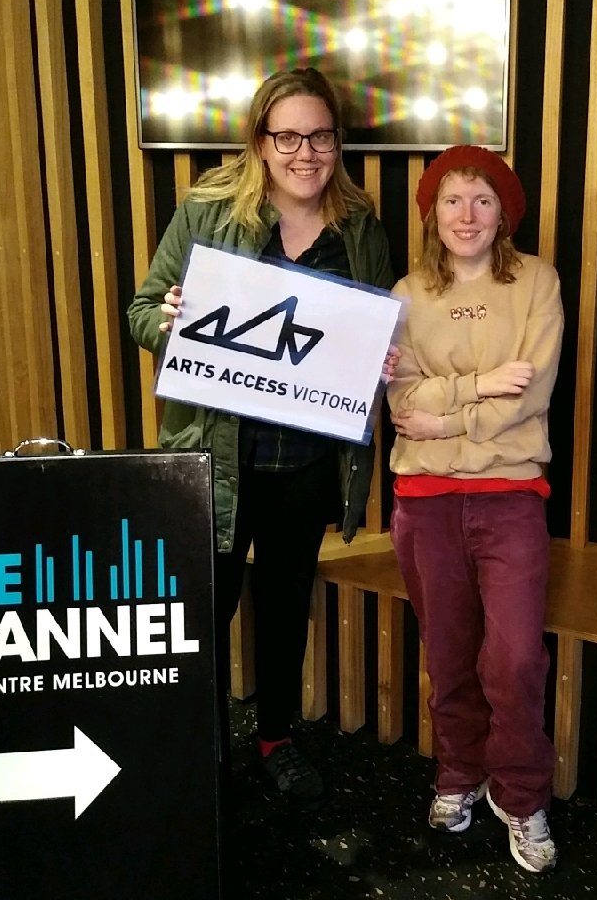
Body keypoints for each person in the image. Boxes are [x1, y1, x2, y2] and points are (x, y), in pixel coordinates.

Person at [127, 67, 395, 807]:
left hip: (308, 466)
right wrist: (170, 321)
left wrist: (386, 358)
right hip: (218, 463)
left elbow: (375, 336)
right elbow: (142, 311)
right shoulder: (209, 211)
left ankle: (275, 737)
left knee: (283, 614)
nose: (305, 152)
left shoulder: (361, 228)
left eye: (320, 135)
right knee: (205, 617)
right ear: (260, 140)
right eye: (288, 136)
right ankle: (201, 751)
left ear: (338, 141)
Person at [387, 145, 564, 874]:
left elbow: (534, 395)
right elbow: (402, 405)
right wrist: (480, 386)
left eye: (482, 200)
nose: (467, 215)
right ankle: (458, 773)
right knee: (448, 653)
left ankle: (521, 795)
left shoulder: (536, 283)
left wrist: (446, 410)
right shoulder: (404, 294)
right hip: (424, 501)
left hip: (510, 494)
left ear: (505, 213)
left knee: (518, 657)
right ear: (432, 212)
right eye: (452, 200)